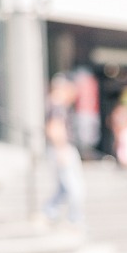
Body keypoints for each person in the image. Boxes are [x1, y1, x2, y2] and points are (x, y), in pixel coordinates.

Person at [42, 73, 85, 228]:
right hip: (62, 148)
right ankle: (74, 219)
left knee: (64, 188)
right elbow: (54, 128)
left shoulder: (56, 104)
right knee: (74, 186)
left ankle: (49, 211)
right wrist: (61, 149)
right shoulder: (57, 104)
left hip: (61, 148)